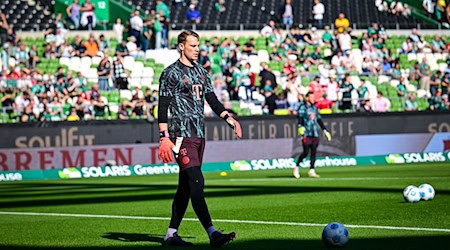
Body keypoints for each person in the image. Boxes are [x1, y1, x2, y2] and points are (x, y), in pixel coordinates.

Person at [158, 30, 241, 247]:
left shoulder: (202, 72)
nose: (197, 49)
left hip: (199, 135)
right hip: (181, 136)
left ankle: (171, 235)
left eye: (198, 46)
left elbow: (212, 99)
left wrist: (228, 117)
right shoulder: (170, 73)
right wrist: (164, 137)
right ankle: (213, 233)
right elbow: (163, 105)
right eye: (193, 46)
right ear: (181, 47)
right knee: (197, 181)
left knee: (185, 187)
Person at [293, 92, 331, 179]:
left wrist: (325, 130)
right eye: (311, 97)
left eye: (313, 97)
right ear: (307, 98)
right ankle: (297, 166)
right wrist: (300, 126)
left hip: (315, 133)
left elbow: (319, 120)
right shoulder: (302, 107)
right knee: (306, 152)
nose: (313, 99)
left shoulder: (315, 108)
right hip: (307, 132)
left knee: (314, 151)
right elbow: (300, 118)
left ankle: (312, 170)